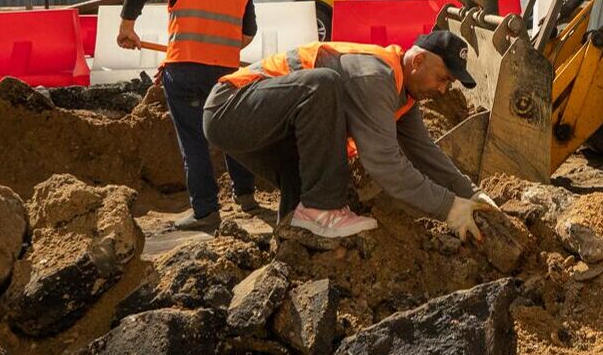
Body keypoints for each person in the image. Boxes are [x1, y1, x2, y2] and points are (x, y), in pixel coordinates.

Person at [202, 31, 500, 245]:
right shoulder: (376, 76)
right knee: (322, 84)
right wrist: (448, 207)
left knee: (308, 178)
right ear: (418, 60)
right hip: (230, 109)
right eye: (443, 78)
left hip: (270, 129)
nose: (444, 90)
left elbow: (424, 151)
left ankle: (295, 252)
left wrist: (470, 192)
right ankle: (322, 210)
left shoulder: (404, 94)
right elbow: (384, 163)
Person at [118, 0, 259, 232]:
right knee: (232, 132)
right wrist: (221, 48)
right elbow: (248, 33)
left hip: (184, 70)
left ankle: (205, 210)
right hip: (226, 72)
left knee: (194, 141)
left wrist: (126, 29)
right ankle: (246, 196)